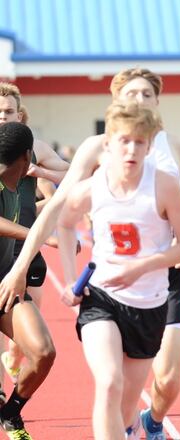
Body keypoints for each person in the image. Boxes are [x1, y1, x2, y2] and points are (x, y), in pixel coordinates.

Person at [0, 67, 180, 440]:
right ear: (116, 100)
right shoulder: (96, 148)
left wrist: (163, 254)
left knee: (163, 382)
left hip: (159, 283)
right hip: (105, 283)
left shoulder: (172, 149)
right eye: (131, 94)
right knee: (108, 382)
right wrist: (33, 268)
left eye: (147, 95)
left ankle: (143, 424)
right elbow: (60, 212)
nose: (139, 101)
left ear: (157, 102)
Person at [57, 102, 180, 440]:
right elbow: (64, 224)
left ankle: (131, 427)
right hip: (102, 297)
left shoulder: (164, 186)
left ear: (149, 146)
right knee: (108, 382)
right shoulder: (91, 188)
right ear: (108, 144)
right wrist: (70, 279)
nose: (131, 149)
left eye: (139, 142)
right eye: (124, 141)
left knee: (126, 407)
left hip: (149, 305)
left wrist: (142, 267)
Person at [0, 83, 69, 388]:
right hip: (18, 238)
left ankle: (13, 360)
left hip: (23, 248)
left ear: (20, 113)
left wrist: (42, 173)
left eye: (8, 111)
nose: (3, 117)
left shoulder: (34, 149)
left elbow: (73, 174)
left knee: (30, 326)